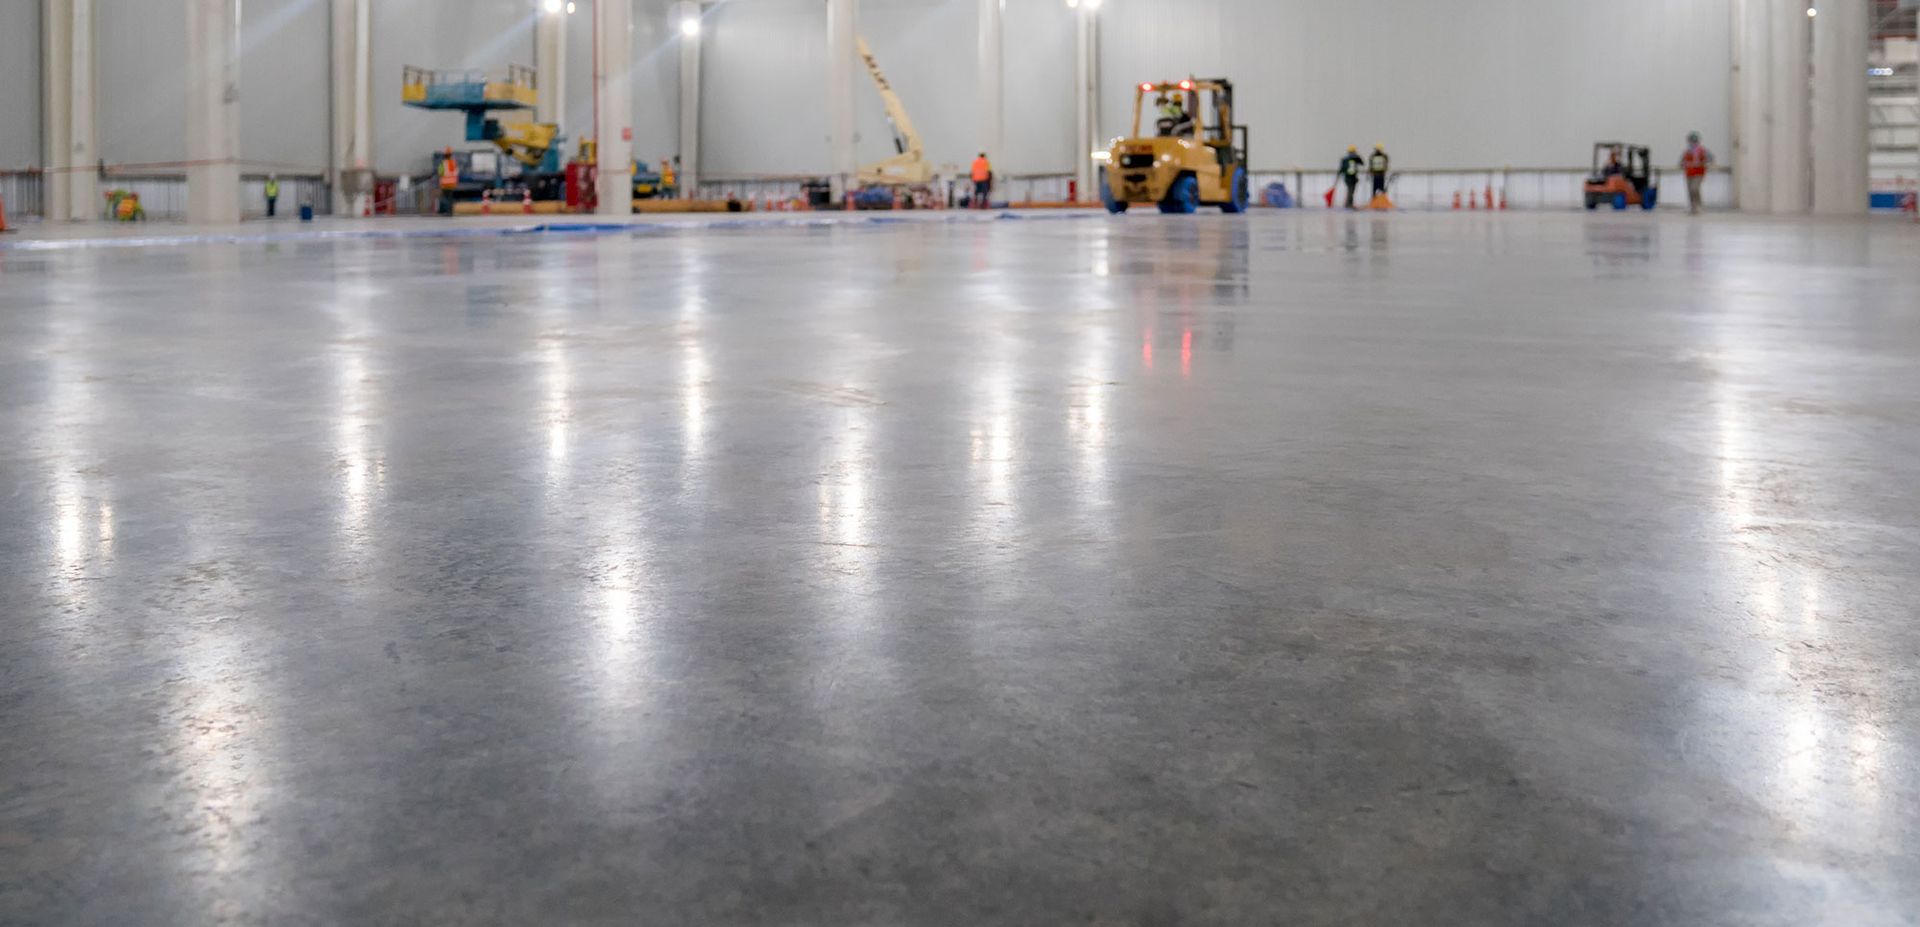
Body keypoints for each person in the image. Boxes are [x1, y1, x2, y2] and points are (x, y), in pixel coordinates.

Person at [1680, 131, 1714, 215]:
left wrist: (1703, 163)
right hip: (1689, 173)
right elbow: (1681, 162)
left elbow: (1710, 159)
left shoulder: (1703, 150)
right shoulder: (1687, 151)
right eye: (1691, 141)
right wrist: (1684, 164)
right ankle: (1692, 206)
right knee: (1690, 190)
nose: (1692, 143)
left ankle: (1699, 205)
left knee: (1695, 188)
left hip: (1698, 173)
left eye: (1694, 141)